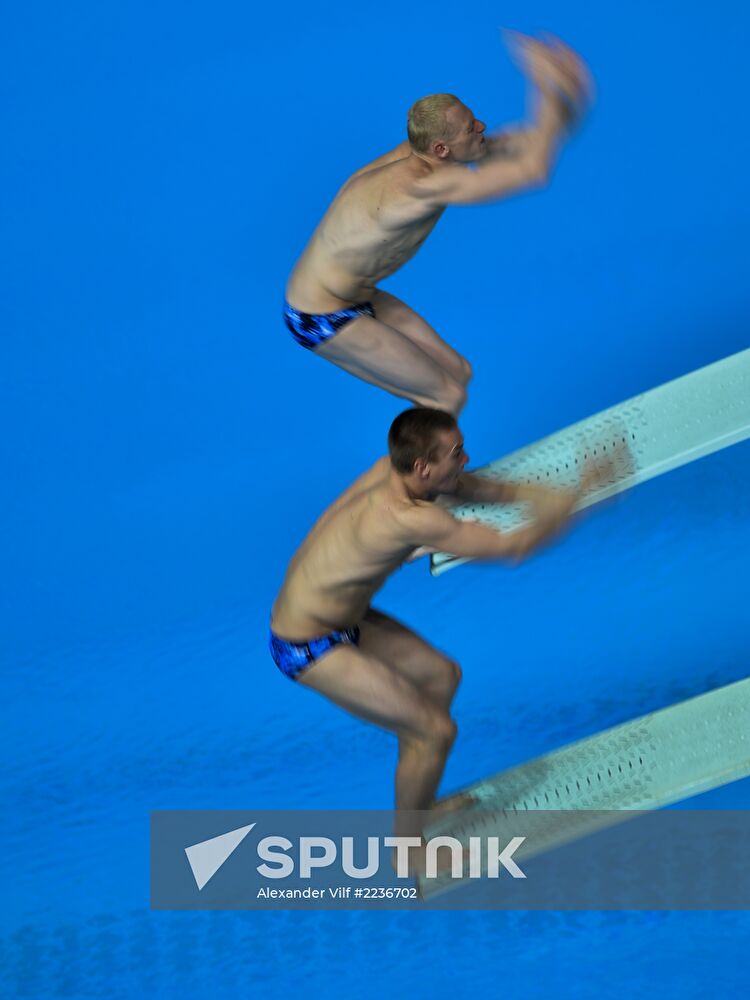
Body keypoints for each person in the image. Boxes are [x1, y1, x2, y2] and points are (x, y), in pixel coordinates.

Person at [269, 407, 616, 867]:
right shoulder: (406, 517)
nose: (467, 458)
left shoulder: (388, 471)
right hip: (307, 644)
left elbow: (470, 487)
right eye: (457, 453)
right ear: (422, 466)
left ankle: (420, 802)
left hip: (341, 618)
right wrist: (583, 493)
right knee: (434, 731)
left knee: (442, 676)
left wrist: (542, 493)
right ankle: (408, 851)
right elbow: (513, 549)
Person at [284, 33, 593, 415]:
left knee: (458, 373)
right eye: (470, 129)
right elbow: (534, 171)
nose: (481, 126)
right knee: (446, 396)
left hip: (357, 294)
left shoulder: (432, 155)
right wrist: (545, 87)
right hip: (319, 314)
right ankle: (432, 473)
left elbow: (533, 143)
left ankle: (420, 467)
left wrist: (569, 102)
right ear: (442, 149)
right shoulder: (423, 184)